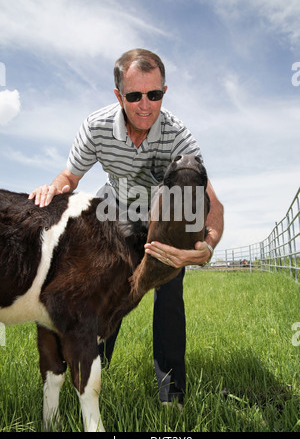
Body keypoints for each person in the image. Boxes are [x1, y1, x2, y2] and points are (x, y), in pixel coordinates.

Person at [29, 49, 224, 409]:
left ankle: (171, 395)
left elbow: (214, 204)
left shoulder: (177, 134)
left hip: (160, 217)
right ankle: (90, 374)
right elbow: (70, 177)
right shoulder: (97, 125)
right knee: (103, 288)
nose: (146, 105)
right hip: (114, 208)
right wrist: (51, 188)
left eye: (155, 94)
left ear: (164, 91)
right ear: (119, 96)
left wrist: (206, 248)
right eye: (135, 96)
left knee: (169, 293)